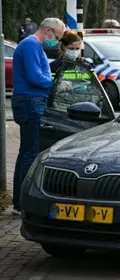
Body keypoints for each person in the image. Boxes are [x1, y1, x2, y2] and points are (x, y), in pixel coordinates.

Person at [11, 17, 65, 215]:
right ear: (49, 31)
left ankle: (18, 202)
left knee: (26, 151)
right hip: (30, 102)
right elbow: (35, 77)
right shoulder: (31, 46)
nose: (57, 41)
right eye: (57, 37)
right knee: (30, 153)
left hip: (28, 101)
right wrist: (54, 83)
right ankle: (23, 202)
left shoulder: (32, 46)